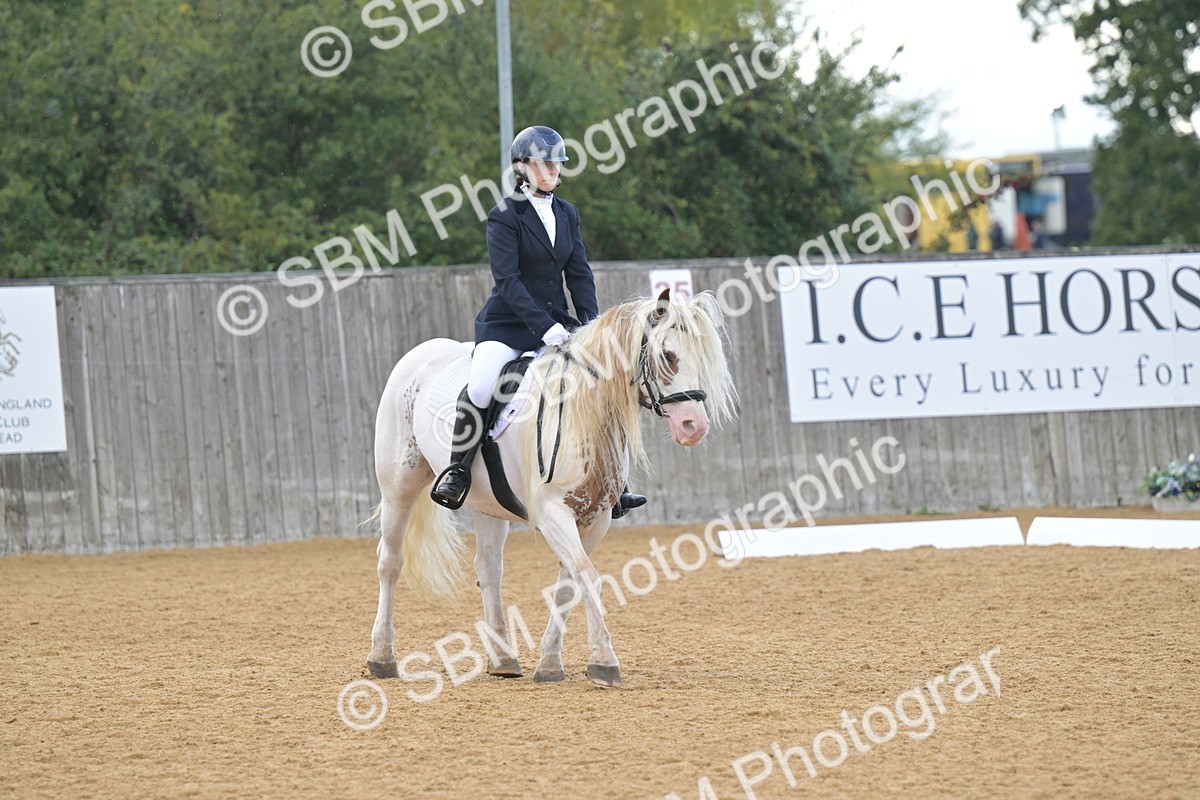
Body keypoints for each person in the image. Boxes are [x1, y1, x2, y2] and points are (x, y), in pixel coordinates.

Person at [430, 125, 647, 518]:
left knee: (598, 379)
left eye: (557, 163)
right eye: (545, 163)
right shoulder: (504, 215)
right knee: (480, 388)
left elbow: (579, 276)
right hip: (507, 325)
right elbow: (507, 281)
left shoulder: (567, 214)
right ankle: (458, 471)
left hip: (559, 323)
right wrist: (544, 327)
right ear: (522, 167)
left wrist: (591, 328)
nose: (553, 170)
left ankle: (615, 482)